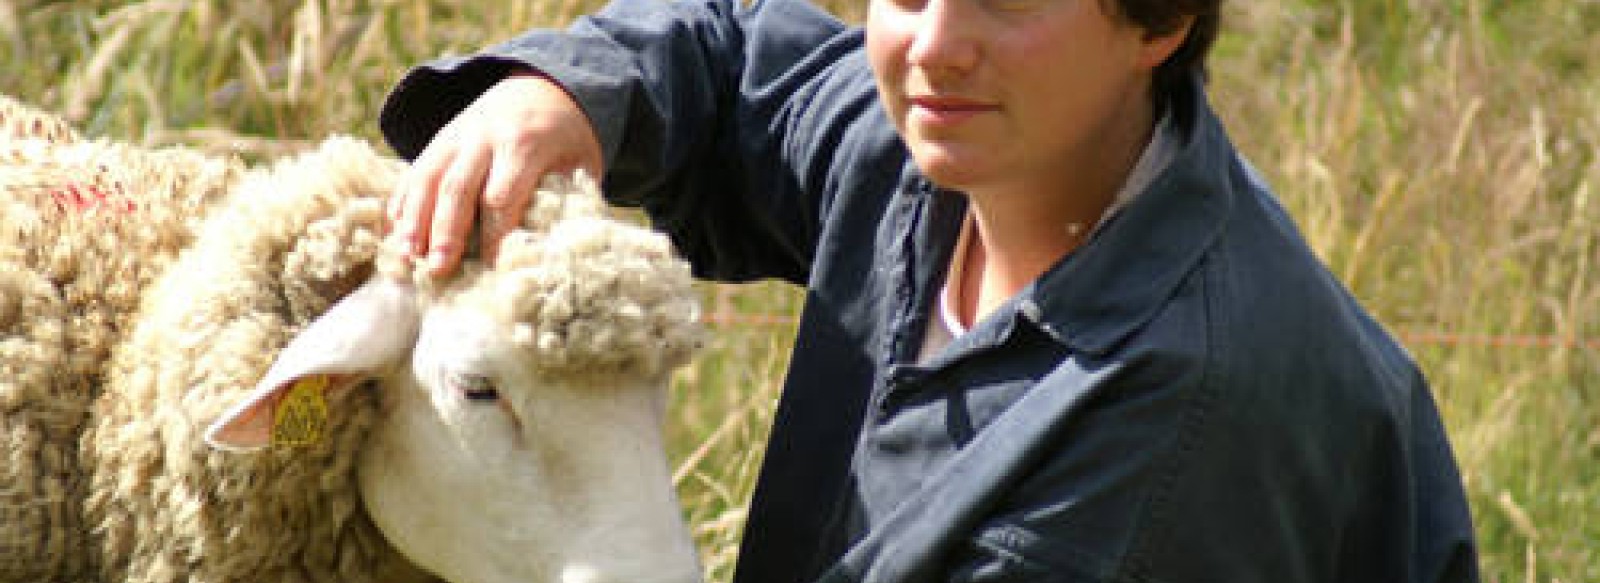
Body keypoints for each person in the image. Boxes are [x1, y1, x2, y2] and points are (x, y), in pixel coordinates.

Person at [377, 0, 1483, 581]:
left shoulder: (1185, 415)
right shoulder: (946, 152)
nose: (933, 48)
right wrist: (561, 95)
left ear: (1157, 19)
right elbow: (727, 57)